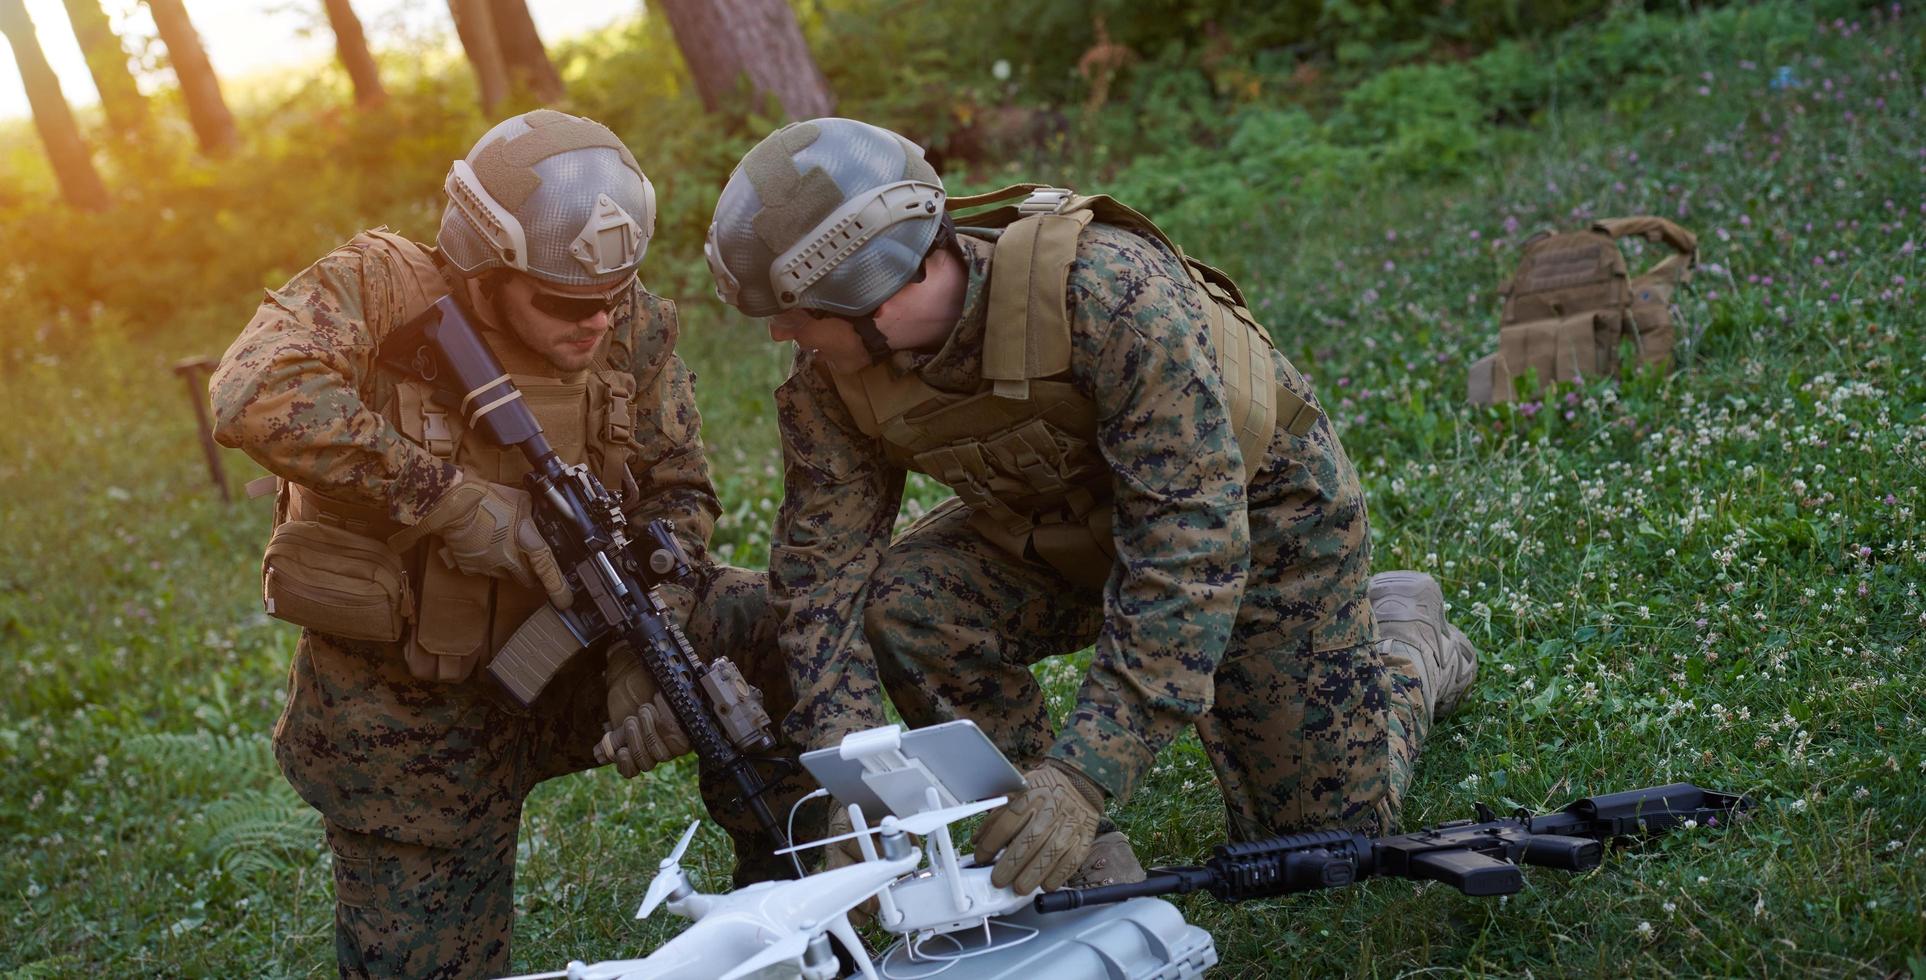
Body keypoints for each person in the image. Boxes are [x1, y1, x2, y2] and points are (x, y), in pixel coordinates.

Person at [702, 117, 1480, 896]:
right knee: (908, 603)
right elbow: (821, 574)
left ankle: (1408, 642)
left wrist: (1084, 773)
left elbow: (1189, 544)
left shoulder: (1106, 292)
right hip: (1072, 529)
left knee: (1322, 845)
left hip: (1258, 517)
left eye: (796, 313)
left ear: (870, 285)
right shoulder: (827, 382)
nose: (778, 334)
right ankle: (1051, 847)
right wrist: (852, 774)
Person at [211, 109, 797, 978]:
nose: (597, 322)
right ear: (486, 268)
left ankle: (797, 899)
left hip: (578, 667)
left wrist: (647, 649)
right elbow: (250, 394)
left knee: (770, 622)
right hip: (409, 722)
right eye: (565, 303)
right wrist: (446, 501)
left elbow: (682, 490)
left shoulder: (622, 318)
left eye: (611, 296)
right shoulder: (381, 286)